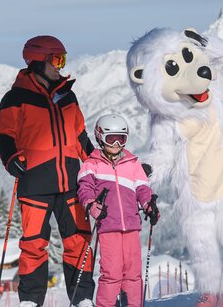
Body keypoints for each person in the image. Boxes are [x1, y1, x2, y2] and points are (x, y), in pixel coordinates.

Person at [0, 35, 97, 307]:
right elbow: (4, 135)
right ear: (38, 62)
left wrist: (97, 167)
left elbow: (80, 137)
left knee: (79, 242)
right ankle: (30, 302)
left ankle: (83, 299)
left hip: (71, 185)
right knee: (33, 245)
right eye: (56, 59)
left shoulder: (68, 96)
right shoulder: (16, 98)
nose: (61, 66)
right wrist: (11, 158)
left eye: (63, 59)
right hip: (35, 185)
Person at [77, 114, 159, 307]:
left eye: (121, 138)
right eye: (110, 138)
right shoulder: (92, 163)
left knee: (133, 274)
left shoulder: (132, 163)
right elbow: (84, 188)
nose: (115, 143)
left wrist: (149, 205)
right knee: (111, 273)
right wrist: (91, 205)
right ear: (99, 137)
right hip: (108, 225)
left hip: (131, 225)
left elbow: (142, 188)